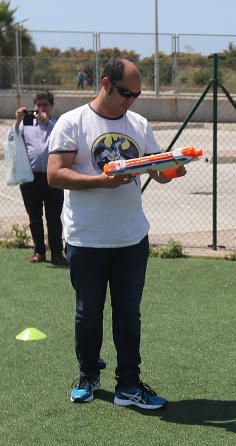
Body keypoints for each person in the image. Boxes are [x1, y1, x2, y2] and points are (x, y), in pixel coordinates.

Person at [47, 58, 184, 408]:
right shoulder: (72, 122)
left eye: (136, 95)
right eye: (126, 93)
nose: (131, 101)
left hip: (131, 239)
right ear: (106, 83)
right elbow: (55, 174)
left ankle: (129, 384)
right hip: (86, 239)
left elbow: (156, 170)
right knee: (87, 313)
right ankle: (88, 375)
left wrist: (173, 169)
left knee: (128, 313)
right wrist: (100, 181)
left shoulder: (138, 123)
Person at [10, 91, 66, 265]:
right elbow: (12, 139)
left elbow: (61, 139)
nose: (41, 109)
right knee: (34, 217)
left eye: (45, 105)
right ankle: (39, 252)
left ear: (51, 107)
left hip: (53, 176)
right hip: (30, 177)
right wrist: (18, 121)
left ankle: (57, 254)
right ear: (34, 107)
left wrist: (47, 122)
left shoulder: (57, 123)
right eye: (38, 105)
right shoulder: (26, 123)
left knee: (54, 217)